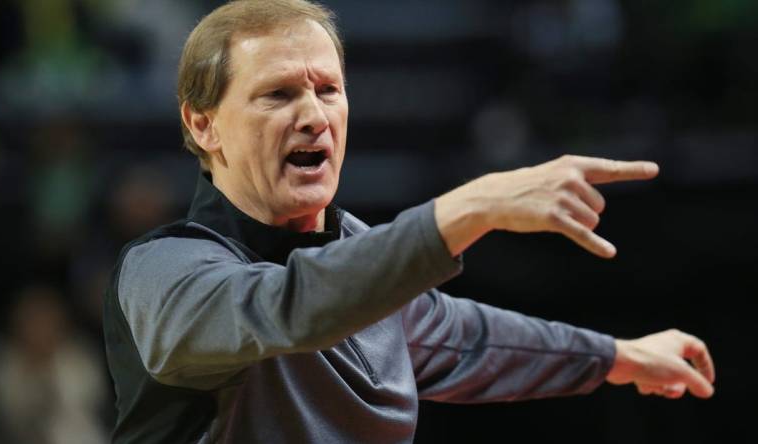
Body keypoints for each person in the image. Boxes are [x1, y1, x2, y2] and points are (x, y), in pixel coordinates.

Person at [103, 1, 716, 443]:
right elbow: (285, 306)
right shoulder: (163, 270)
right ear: (203, 124)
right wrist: (471, 207)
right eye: (278, 94)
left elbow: (471, 336)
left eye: (328, 89)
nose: (315, 115)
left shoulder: (362, 257)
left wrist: (619, 356)